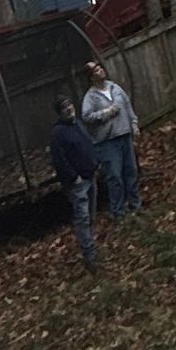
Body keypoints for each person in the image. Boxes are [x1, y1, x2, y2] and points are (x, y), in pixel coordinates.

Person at [81, 59, 142, 218]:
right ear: (91, 77)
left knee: (131, 171)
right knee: (115, 177)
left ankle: (135, 205)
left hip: (124, 134)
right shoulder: (90, 97)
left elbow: (127, 106)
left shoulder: (115, 88)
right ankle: (118, 212)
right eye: (96, 70)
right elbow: (87, 117)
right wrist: (106, 113)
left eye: (100, 67)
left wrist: (134, 124)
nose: (100, 70)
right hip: (107, 142)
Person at [49, 95, 101, 272]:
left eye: (70, 104)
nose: (69, 108)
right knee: (83, 219)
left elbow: (87, 144)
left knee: (91, 216)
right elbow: (59, 161)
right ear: (59, 112)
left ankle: (93, 248)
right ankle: (89, 257)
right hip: (78, 183)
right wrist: (73, 177)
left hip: (91, 175)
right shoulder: (58, 133)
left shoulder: (78, 124)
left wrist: (95, 163)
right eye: (64, 107)